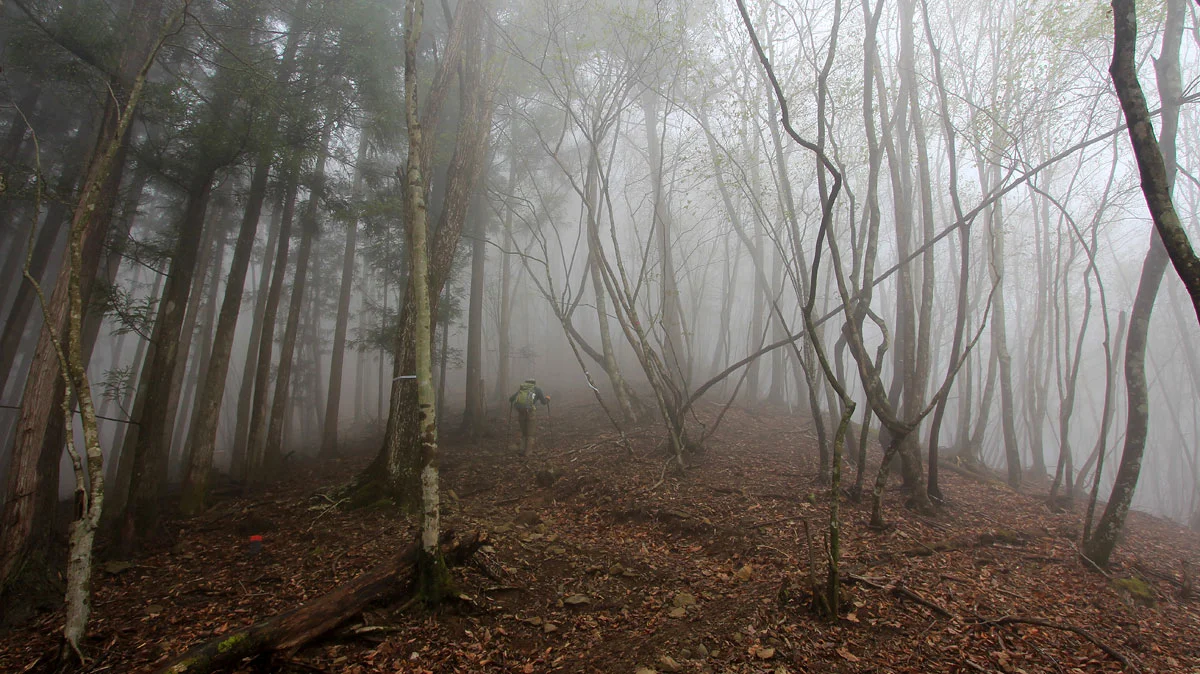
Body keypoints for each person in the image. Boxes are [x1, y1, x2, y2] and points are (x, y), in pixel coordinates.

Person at [509, 379, 550, 456]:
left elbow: (511, 399)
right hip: (531, 413)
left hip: (521, 413)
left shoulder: (522, 390)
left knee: (524, 433)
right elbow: (543, 402)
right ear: (534, 383)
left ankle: (521, 450)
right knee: (530, 434)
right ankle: (528, 452)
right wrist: (548, 399)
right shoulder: (537, 390)